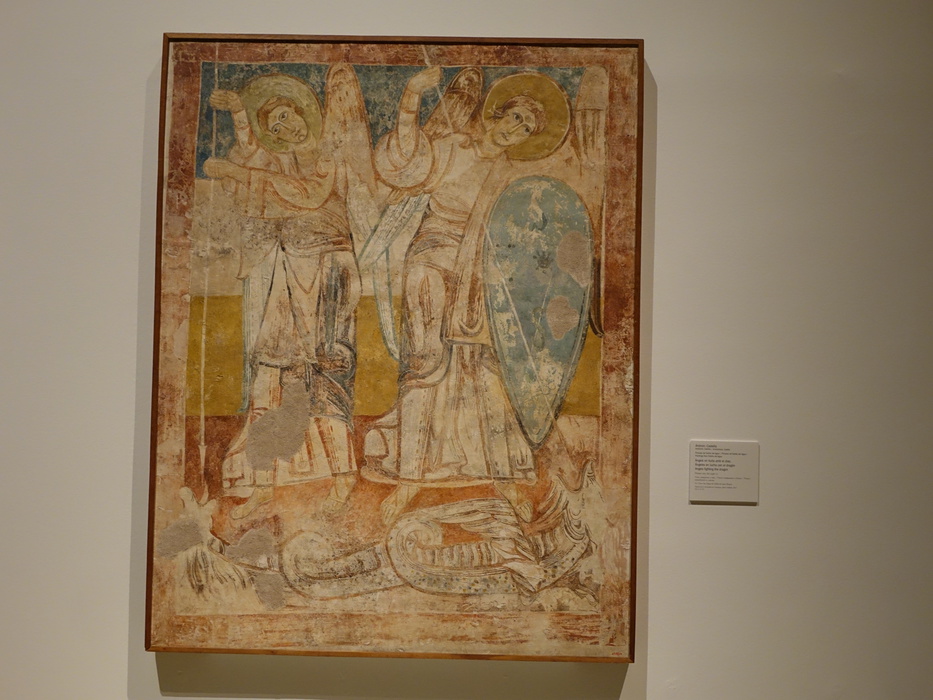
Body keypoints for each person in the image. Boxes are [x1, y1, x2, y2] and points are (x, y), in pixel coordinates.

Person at [362, 67, 558, 524]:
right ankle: (409, 479)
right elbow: (404, 164)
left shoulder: (510, 181)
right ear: (497, 114)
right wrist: (412, 95)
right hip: (431, 257)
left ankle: (501, 476)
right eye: (514, 117)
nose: (514, 129)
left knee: (481, 365)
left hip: (478, 274)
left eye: (525, 129)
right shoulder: (452, 146)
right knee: (425, 359)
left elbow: (521, 240)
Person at [203, 68, 376, 518]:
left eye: (287, 117)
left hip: (329, 268)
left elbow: (307, 194)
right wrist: (240, 116)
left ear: (304, 114)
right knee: (272, 370)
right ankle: (264, 482)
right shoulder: (275, 162)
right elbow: (252, 158)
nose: (284, 128)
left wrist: (237, 173)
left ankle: (342, 476)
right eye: (275, 126)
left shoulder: (330, 157)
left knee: (327, 369)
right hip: (286, 271)